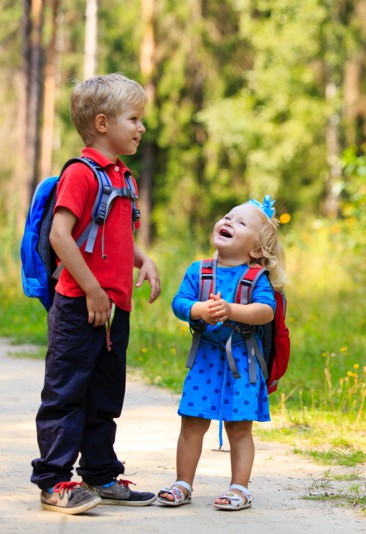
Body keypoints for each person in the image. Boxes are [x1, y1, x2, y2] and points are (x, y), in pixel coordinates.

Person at [31, 73, 161, 515]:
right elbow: (61, 237)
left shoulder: (123, 178)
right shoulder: (82, 175)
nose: (142, 128)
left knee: (105, 395)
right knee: (66, 393)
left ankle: (100, 474)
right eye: (134, 119)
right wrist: (91, 289)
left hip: (112, 307)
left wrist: (143, 261)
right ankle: (54, 481)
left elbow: (114, 236)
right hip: (78, 303)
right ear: (103, 123)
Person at [156, 197, 286, 511]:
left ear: (256, 249)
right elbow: (179, 303)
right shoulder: (198, 270)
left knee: (240, 427)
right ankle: (182, 483)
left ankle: (239, 488)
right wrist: (200, 310)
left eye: (241, 223)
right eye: (227, 217)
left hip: (242, 361)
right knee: (192, 422)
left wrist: (231, 310)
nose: (228, 222)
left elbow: (266, 311)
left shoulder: (256, 278)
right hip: (206, 360)